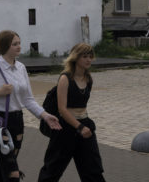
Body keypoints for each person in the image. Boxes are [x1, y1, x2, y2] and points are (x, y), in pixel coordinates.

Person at [0, 30, 61, 182]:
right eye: (15, 44)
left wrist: (45, 116)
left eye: (19, 43)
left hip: (17, 122)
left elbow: (28, 99)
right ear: (5, 46)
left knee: (3, 170)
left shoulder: (21, 67)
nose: (19, 47)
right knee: (12, 172)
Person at [37, 43, 106, 182]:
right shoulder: (65, 79)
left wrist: (84, 126)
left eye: (90, 56)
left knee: (93, 170)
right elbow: (62, 109)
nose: (88, 60)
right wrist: (79, 127)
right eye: (84, 56)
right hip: (65, 128)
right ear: (76, 58)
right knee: (52, 170)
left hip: (85, 125)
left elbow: (82, 105)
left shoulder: (89, 79)